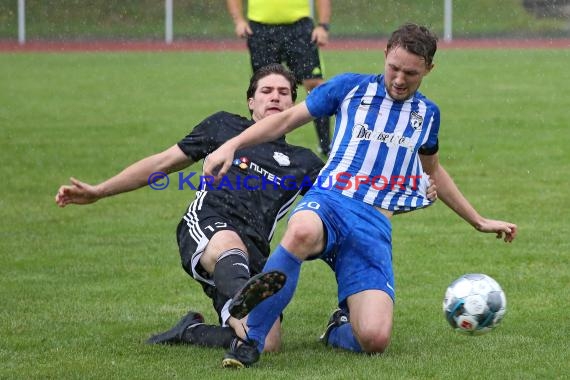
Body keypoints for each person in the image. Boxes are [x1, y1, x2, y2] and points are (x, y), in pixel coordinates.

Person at [202, 23, 518, 368]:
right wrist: (232, 145)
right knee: (302, 229)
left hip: (372, 225)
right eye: (394, 68)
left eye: (410, 73)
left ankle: (338, 328)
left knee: (375, 339)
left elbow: (433, 171)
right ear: (384, 54)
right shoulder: (349, 88)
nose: (399, 79)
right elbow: (286, 120)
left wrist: (478, 220)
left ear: (429, 69)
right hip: (330, 201)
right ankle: (251, 342)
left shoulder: (427, 115)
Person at [54, 64, 325, 353]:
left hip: (254, 251)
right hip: (209, 224)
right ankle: (242, 293)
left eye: (284, 93)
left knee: (265, 343)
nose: (275, 97)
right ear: (251, 101)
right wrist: (100, 190)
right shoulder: (224, 127)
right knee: (229, 248)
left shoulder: (303, 162)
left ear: (294, 105)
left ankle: (192, 329)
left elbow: (332, 214)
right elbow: (162, 163)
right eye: (266, 91)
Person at [226, 0, 333, 156]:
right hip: (261, 29)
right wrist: (239, 20)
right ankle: (262, 144)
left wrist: (323, 25)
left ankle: (326, 146)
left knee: (315, 84)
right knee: (264, 88)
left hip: (299, 28)